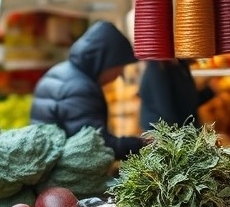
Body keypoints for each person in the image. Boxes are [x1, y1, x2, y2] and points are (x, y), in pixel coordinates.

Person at [30, 20, 146, 160]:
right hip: (64, 174)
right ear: (104, 61)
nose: (119, 76)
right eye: (119, 68)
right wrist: (141, 144)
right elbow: (95, 145)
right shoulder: (79, 89)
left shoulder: (58, 71)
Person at [139, 59, 215, 130]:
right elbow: (168, 111)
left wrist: (210, 91)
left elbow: (188, 102)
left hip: (182, 132)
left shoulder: (181, 64)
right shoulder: (157, 68)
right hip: (165, 135)